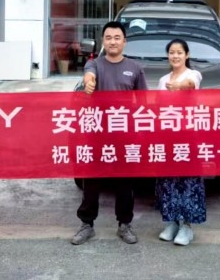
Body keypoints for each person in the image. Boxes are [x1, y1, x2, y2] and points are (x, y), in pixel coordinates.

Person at [71, 21, 148, 246]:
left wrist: (140, 131)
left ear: (124, 41)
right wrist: (89, 83)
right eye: (108, 37)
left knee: (125, 181)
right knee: (91, 180)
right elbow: (89, 75)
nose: (112, 42)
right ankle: (87, 224)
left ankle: (125, 224)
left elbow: (143, 102)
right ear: (103, 41)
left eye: (117, 38)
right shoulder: (94, 64)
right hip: (97, 132)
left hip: (124, 134)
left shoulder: (135, 68)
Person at [155, 38, 205, 246]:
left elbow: (189, 85)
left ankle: (187, 227)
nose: (175, 56)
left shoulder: (193, 75)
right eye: (172, 52)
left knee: (188, 181)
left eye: (179, 52)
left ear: (187, 55)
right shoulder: (162, 80)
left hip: (188, 136)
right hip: (168, 137)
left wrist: (178, 86)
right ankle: (173, 222)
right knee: (168, 182)